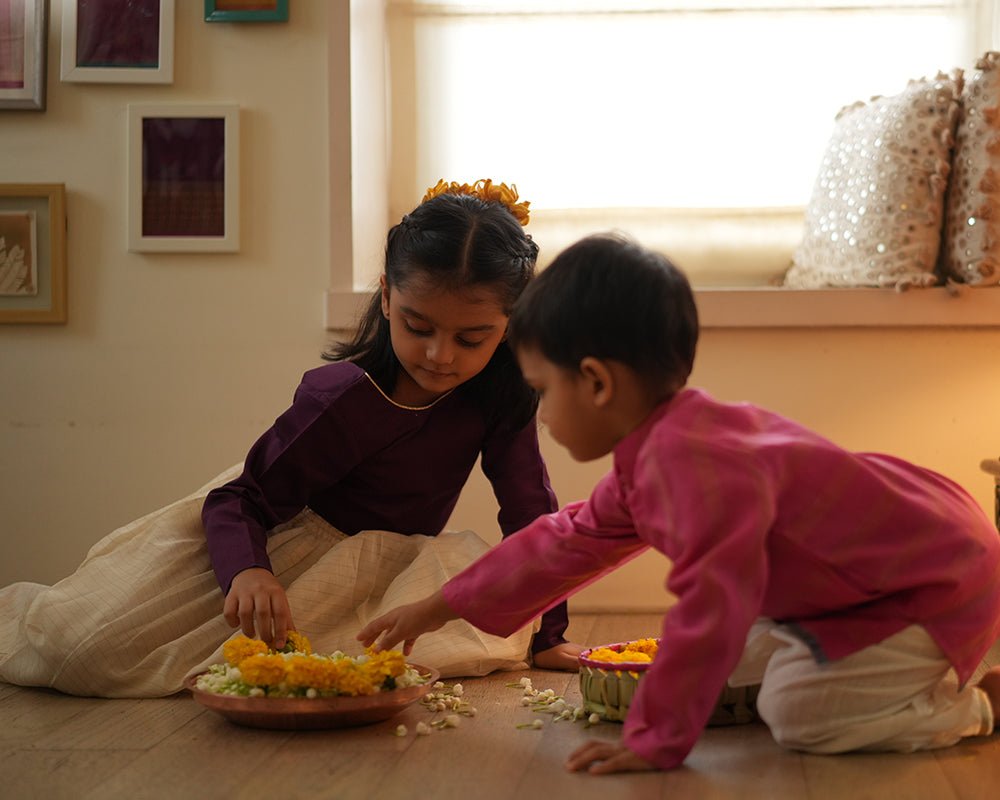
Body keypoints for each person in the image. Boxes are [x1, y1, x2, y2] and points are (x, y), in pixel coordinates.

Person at [358, 233, 1000, 774]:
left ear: (597, 382)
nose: (543, 416)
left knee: (795, 714)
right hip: (867, 579)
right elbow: (564, 541)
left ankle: (976, 707)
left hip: (928, 583)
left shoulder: (695, 468)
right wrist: (437, 607)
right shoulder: (661, 451)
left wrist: (658, 740)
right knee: (708, 669)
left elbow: (713, 602)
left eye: (542, 391)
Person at [0, 179, 582, 698]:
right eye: (417, 326)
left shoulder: (501, 398)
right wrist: (249, 572)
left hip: (383, 571)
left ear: (511, 324)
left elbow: (531, 514)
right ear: (385, 297)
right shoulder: (344, 398)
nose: (439, 355)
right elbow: (237, 500)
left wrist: (550, 634)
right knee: (76, 650)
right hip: (270, 549)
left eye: (471, 338)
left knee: (450, 643)